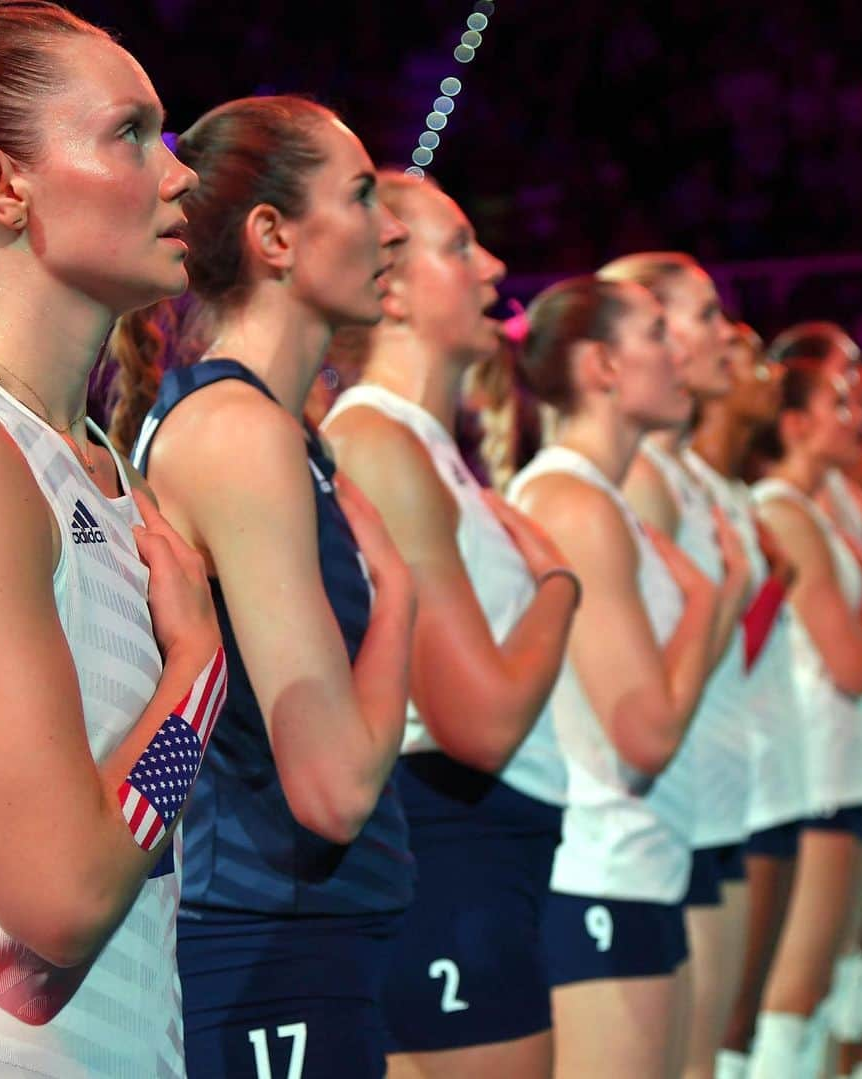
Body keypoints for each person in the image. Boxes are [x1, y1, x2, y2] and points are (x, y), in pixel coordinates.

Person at [0, 3, 223, 1075]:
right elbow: (64, 894)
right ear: (0, 184)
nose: (180, 176)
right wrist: (199, 669)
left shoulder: (94, 464)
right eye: (131, 133)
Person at [107, 95, 418, 1078]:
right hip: (271, 945)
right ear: (275, 235)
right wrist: (400, 601)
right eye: (364, 194)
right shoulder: (240, 432)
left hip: (299, 936)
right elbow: (331, 786)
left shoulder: (266, 423)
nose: (394, 225)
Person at [321, 172, 578, 1079]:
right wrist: (558, 584)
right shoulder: (379, 441)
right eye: (461, 246)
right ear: (387, 281)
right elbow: (479, 720)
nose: (494, 267)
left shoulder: (428, 447)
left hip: (488, 846)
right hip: (454, 843)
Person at [508, 274, 746, 1078]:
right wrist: (714, 598)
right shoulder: (574, 501)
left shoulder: (596, 495)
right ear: (604, 366)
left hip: (638, 862)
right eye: (655, 333)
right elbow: (645, 734)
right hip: (599, 871)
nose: (676, 354)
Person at [602, 253, 752, 1079]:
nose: (723, 332)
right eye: (697, 314)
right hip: (656, 820)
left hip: (707, 798)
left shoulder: (677, 474)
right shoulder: (639, 480)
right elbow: (647, 694)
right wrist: (721, 594)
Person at [748, 356, 862, 1076]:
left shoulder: (818, 509)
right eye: (839, 404)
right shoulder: (784, 509)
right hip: (818, 768)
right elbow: (856, 665)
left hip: (846, 761)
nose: (859, 418)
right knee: (792, 993)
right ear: (794, 422)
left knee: (827, 979)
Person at [685, 323, 811, 1079]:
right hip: (712, 779)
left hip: (748, 768)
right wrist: (765, 582)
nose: (767, 373)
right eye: (750, 358)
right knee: (722, 1028)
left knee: (741, 1016)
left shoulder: (727, 490)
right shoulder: (687, 488)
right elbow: (724, 645)